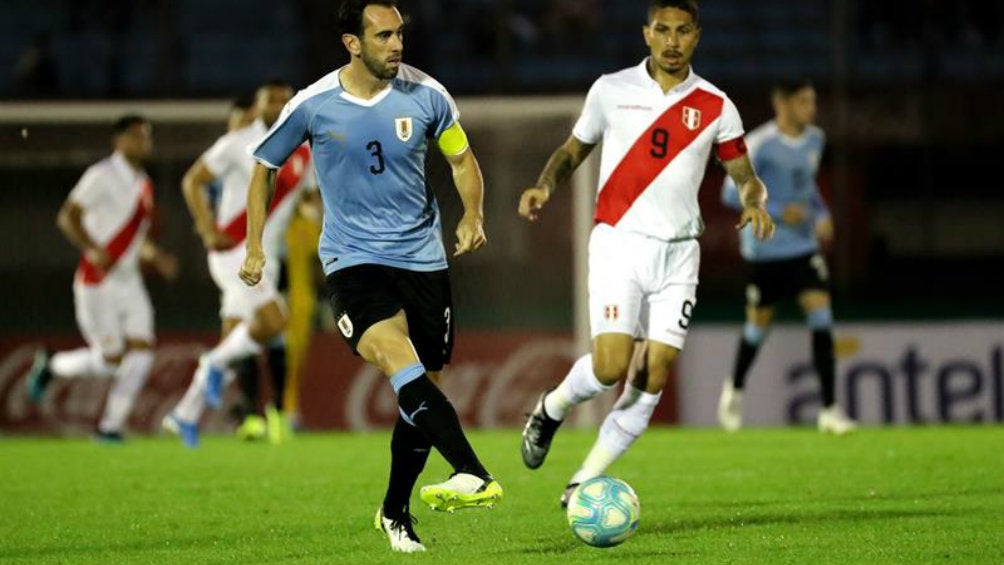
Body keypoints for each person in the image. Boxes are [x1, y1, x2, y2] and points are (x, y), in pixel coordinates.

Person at [239, 0, 502, 552]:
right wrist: (255, 244)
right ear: (353, 43)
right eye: (384, 36)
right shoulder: (313, 105)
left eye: (400, 34)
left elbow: (461, 160)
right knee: (395, 357)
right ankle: (473, 471)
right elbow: (264, 169)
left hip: (424, 260)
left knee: (421, 388)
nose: (397, 45)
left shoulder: (429, 94)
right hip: (353, 261)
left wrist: (473, 213)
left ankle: (394, 511)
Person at [518, 0, 775, 508]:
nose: (673, 41)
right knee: (611, 366)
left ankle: (582, 481)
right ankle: (550, 408)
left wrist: (753, 204)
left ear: (696, 37)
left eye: (683, 31)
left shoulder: (716, 104)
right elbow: (573, 149)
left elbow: (746, 177)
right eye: (663, 30)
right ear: (646, 34)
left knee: (652, 375)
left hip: (680, 254)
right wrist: (545, 186)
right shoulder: (610, 90)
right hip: (619, 243)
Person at [163, 80, 318, 447]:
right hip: (235, 250)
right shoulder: (237, 143)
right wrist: (205, 228)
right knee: (274, 322)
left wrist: (321, 220)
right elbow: (193, 181)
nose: (278, 104)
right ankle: (213, 366)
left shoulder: (304, 150)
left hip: (269, 257)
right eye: (271, 99)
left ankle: (184, 414)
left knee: (237, 336)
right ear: (259, 105)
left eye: (285, 98)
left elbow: (309, 198)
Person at [25, 115, 178, 442]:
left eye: (147, 136)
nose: (144, 142)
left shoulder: (144, 184)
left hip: (130, 281)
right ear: (118, 141)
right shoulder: (101, 175)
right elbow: (68, 216)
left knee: (143, 353)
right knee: (110, 361)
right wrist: (91, 248)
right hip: (98, 281)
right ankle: (53, 365)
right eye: (136, 136)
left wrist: (157, 257)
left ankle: (110, 427)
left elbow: (136, 241)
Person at [717, 79, 857, 435]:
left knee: (822, 316)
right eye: (805, 102)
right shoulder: (760, 144)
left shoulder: (815, 140)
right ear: (783, 104)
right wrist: (777, 211)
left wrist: (821, 212)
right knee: (757, 327)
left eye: (813, 101)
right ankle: (734, 388)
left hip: (803, 248)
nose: (812, 108)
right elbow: (731, 194)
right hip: (766, 250)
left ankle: (828, 409)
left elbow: (806, 186)